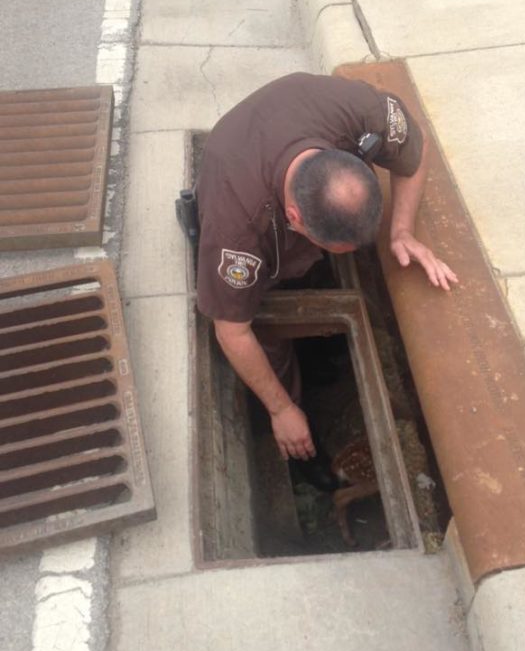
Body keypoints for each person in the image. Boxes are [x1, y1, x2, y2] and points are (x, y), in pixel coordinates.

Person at [195, 72, 457, 476]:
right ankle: (300, 444)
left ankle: (318, 359)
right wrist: (281, 410)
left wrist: (402, 230)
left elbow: (414, 148)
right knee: (268, 333)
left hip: (278, 142)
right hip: (240, 171)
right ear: (295, 220)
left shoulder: (356, 112)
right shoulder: (236, 227)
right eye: (330, 248)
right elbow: (232, 331)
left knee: (316, 278)